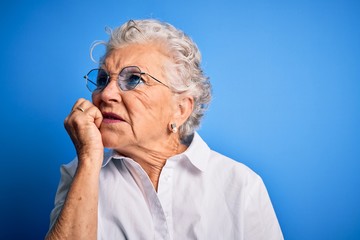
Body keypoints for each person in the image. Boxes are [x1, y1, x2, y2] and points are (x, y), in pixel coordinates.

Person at [46, 19, 283, 240]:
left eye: (134, 79)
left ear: (180, 109)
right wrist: (88, 160)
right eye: (102, 79)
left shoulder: (240, 185)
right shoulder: (80, 174)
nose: (106, 94)